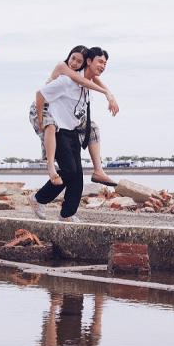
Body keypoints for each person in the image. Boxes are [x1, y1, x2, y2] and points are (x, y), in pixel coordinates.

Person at [31, 47, 112, 220]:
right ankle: (38, 199)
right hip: (58, 129)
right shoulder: (67, 81)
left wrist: (109, 94)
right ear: (89, 62)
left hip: (72, 129)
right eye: (100, 62)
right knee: (68, 171)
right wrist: (40, 120)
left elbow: (93, 83)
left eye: (105, 63)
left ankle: (67, 214)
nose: (103, 66)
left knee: (77, 176)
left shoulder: (88, 85)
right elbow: (40, 94)